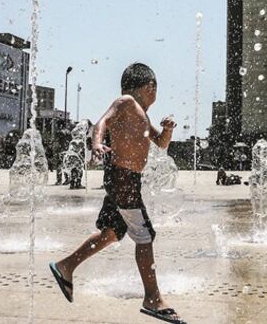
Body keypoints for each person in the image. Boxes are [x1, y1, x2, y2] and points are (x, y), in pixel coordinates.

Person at [49, 63, 186, 324]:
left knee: (111, 232)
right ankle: (153, 298)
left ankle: (65, 266)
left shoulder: (142, 116)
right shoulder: (126, 103)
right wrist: (97, 143)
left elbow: (160, 143)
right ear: (150, 87)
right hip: (123, 179)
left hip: (125, 179)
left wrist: (168, 130)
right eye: (155, 88)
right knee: (144, 236)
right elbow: (101, 122)